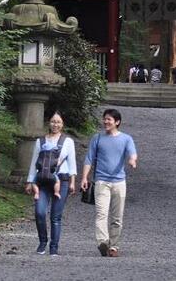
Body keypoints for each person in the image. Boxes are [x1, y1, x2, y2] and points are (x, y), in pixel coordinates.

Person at [80, 109, 137, 258]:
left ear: (117, 122)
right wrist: (84, 177)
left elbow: (132, 152)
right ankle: (102, 242)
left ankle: (114, 246)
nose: (106, 122)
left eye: (109, 119)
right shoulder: (97, 138)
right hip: (101, 181)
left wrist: (132, 160)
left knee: (117, 217)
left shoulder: (126, 139)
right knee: (101, 213)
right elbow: (89, 159)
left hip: (119, 182)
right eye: (105, 119)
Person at [25, 112, 77, 256]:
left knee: (55, 215)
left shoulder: (68, 141)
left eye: (58, 122)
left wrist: (73, 182)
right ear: (49, 123)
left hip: (62, 180)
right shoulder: (40, 141)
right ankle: (42, 242)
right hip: (42, 180)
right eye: (53, 121)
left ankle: (54, 246)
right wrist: (30, 181)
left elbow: (72, 164)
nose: (55, 124)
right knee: (39, 212)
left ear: (63, 124)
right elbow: (34, 163)